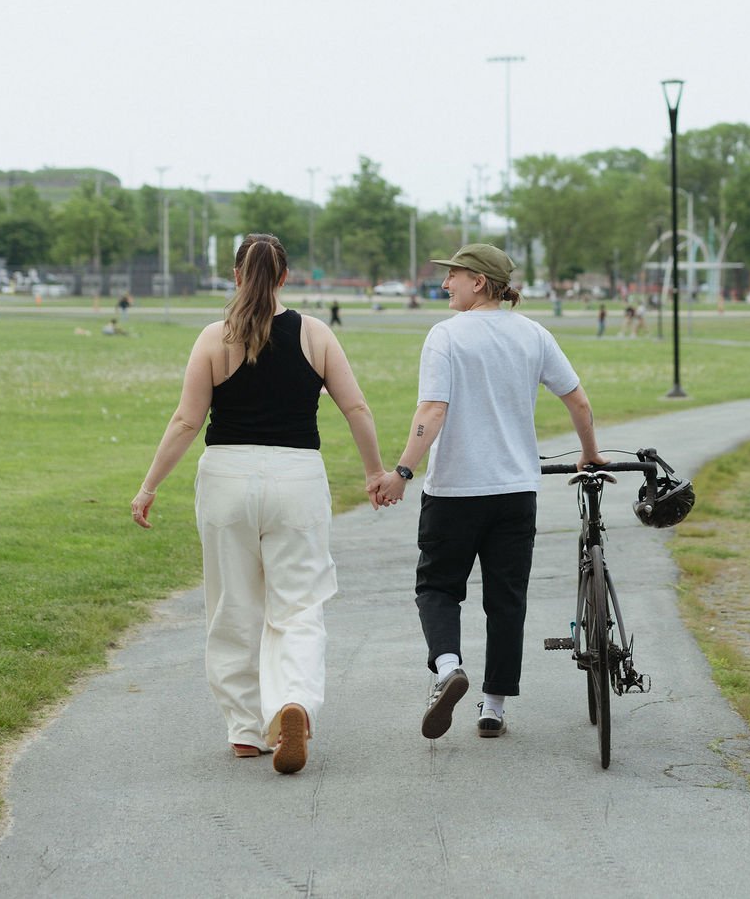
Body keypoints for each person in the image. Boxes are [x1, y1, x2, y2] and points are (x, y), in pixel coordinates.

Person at [130, 233, 384, 775]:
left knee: (233, 603)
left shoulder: (213, 337)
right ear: (286, 278)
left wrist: (149, 486)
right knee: (297, 603)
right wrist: (374, 473)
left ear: (237, 276)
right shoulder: (315, 334)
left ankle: (245, 729)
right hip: (296, 477)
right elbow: (356, 408)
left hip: (225, 476)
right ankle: (292, 703)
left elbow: (185, 421)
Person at [371, 244, 602, 741]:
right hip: (515, 491)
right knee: (506, 599)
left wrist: (402, 474)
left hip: (454, 490)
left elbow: (432, 410)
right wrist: (589, 454)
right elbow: (577, 400)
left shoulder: (447, 336)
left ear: (478, 281)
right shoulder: (534, 334)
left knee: (437, 587)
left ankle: (449, 668)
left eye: (452, 275)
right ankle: (493, 706)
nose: (445, 284)